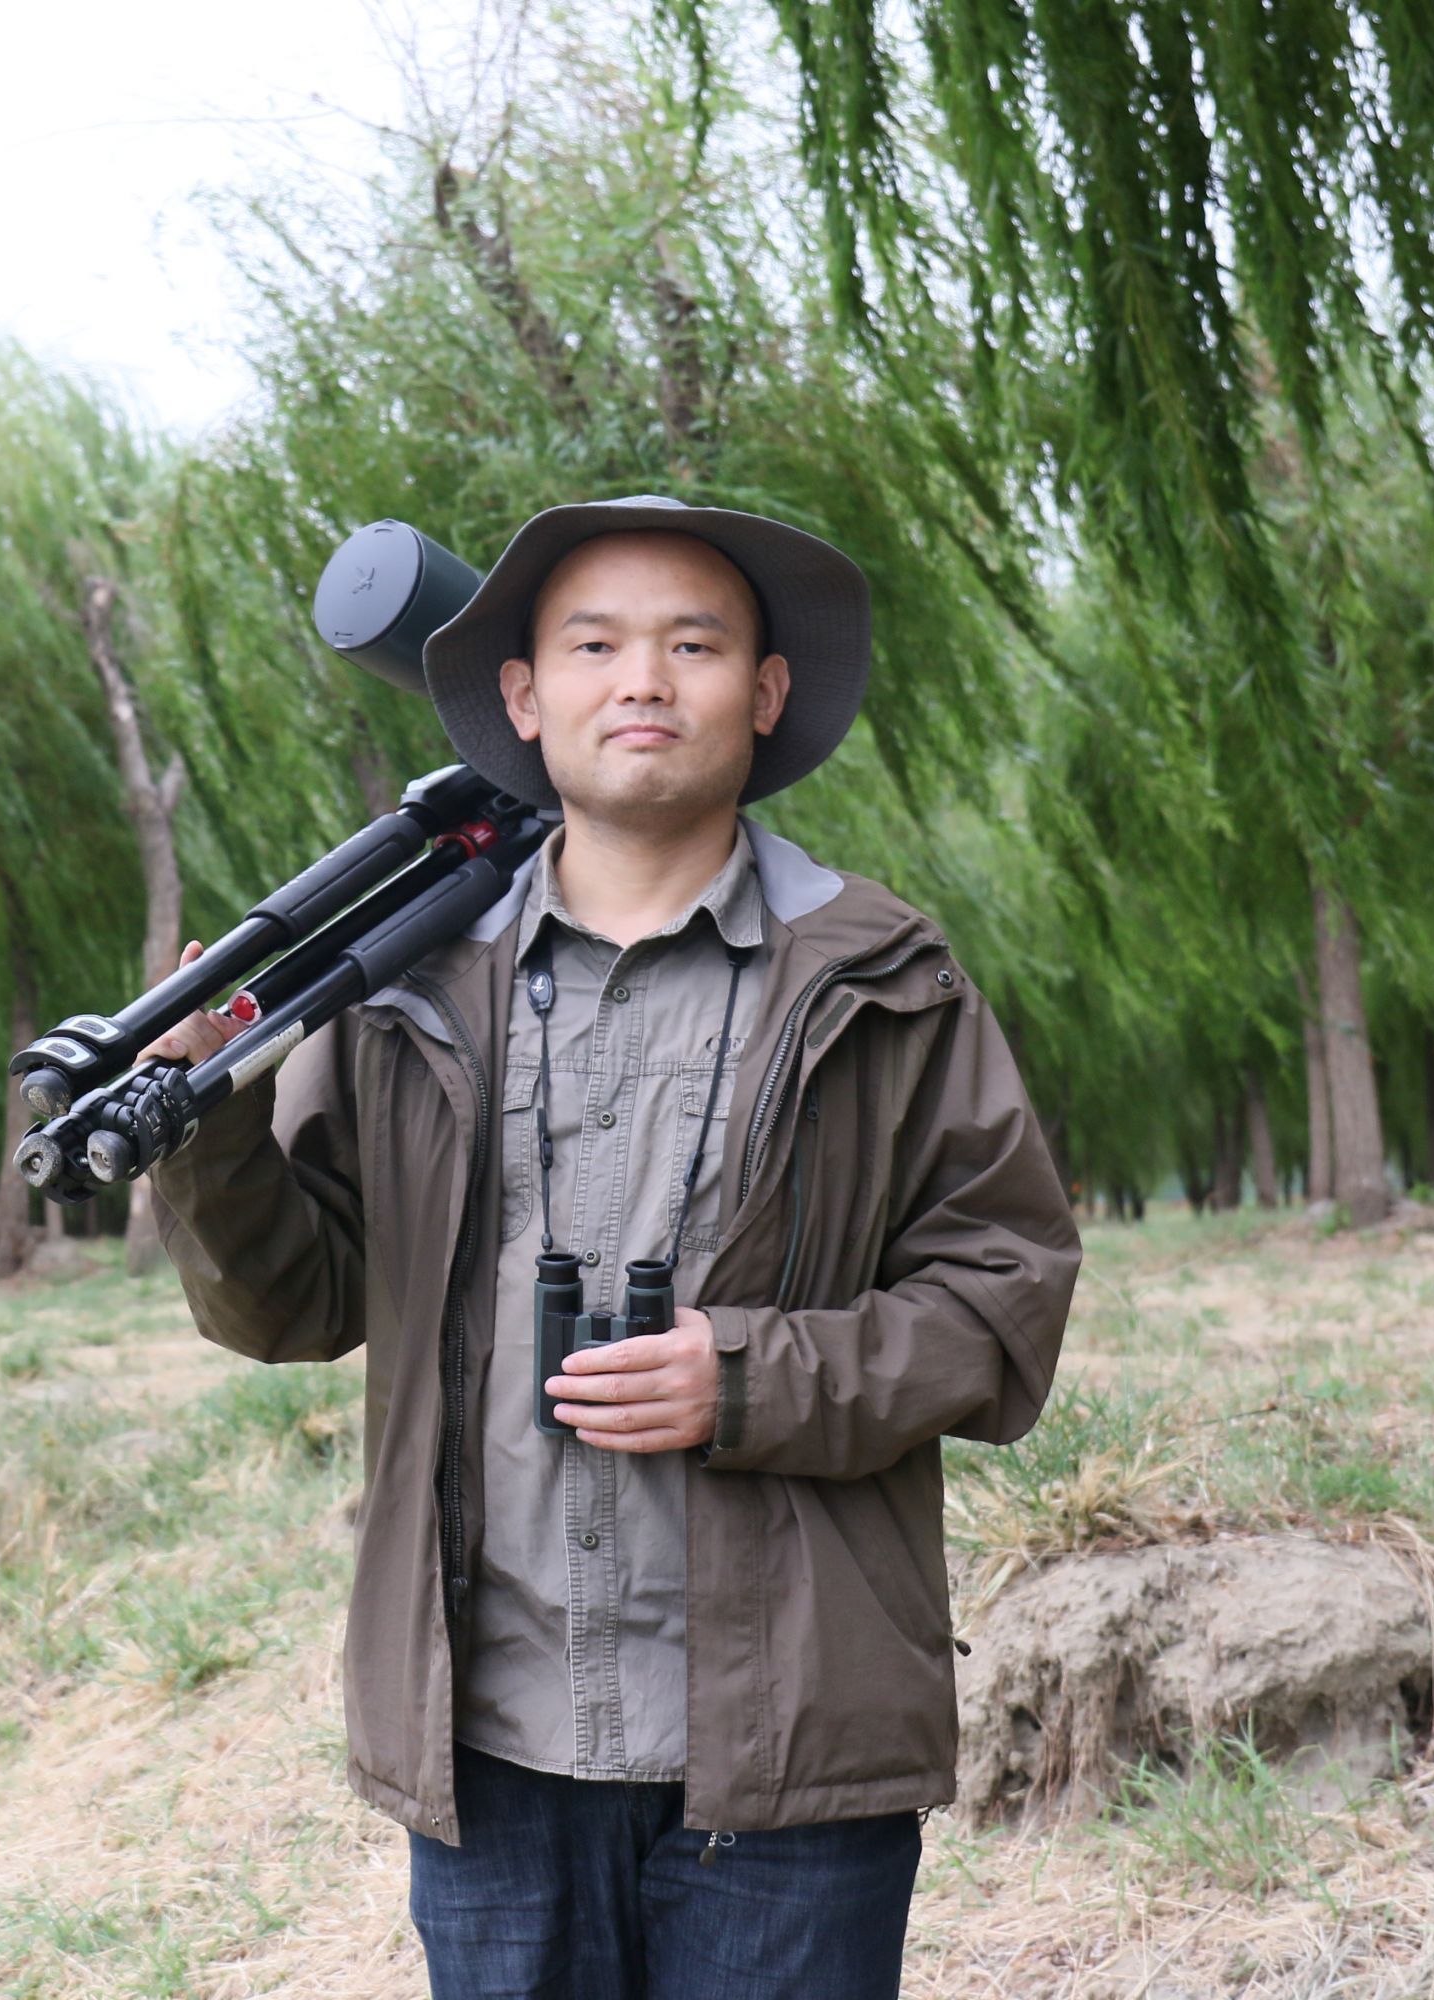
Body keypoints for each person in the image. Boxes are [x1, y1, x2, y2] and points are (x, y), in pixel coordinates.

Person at [140, 496, 1081, 1999]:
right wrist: (209, 1126)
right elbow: (294, 1304)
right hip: (493, 1748)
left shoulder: (884, 981)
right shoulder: (404, 992)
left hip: (788, 1752)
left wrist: (753, 1379)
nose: (643, 680)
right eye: (594, 646)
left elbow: (1004, 1300)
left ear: (766, 693)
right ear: (523, 697)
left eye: (694, 644)